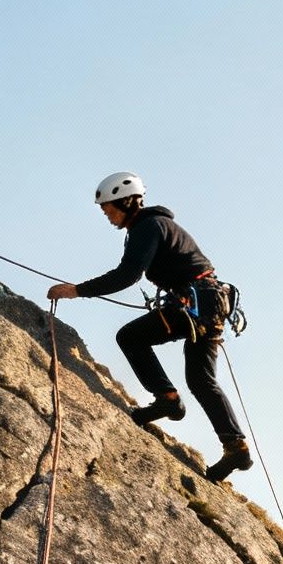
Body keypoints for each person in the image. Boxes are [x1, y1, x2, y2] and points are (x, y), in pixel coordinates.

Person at [47, 171, 252, 482]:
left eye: (109, 208)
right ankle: (235, 446)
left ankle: (168, 400)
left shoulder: (147, 226)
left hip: (194, 304)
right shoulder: (154, 226)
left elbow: (127, 275)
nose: (107, 215)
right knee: (200, 378)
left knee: (130, 337)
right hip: (209, 305)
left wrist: (77, 290)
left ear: (127, 202)